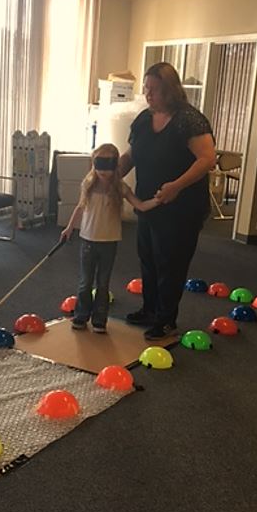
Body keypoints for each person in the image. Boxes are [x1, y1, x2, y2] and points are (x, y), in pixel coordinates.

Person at [119, 62, 216, 341]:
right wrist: (111, 176)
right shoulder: (143, 120)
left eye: (155, 90)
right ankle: (150, 310)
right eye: (146, 89)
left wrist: (176, 186)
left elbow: (207, 159)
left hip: (181, 208)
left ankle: (166, 320)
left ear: (170, 91)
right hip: (149, 204)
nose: (148, 95)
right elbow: (131, 154)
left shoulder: (189, 120)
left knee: (170, 263)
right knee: (148, 258)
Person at [60, 143, 159, 333]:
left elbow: (140, 205)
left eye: (108, 165)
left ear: (115, 166)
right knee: (85, 283)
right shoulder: (88, 185)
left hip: (109, 242)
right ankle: (81, 317)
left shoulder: (120, 188)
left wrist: (159, 199)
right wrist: (69, 228)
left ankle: (99, 320)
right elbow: (80, 207)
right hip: (88, 240)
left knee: (103, 283)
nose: (103, 172)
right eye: (99, 165)